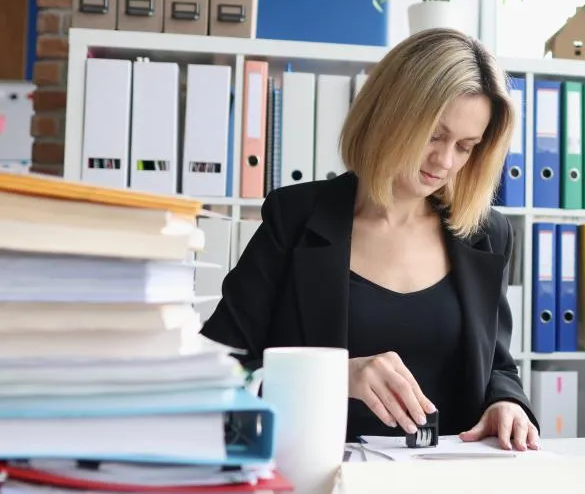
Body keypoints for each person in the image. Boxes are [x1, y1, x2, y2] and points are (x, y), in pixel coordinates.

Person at [200, 27, 541, 452]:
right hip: (317, 473)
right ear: (389, 114)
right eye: (434, 134)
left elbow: (498, 366)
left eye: (466, 146)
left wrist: (507, 402)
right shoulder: (295, 218)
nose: (445, 161)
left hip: (448, 479)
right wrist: (332, 376)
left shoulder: (485, 233)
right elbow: (216, 370)